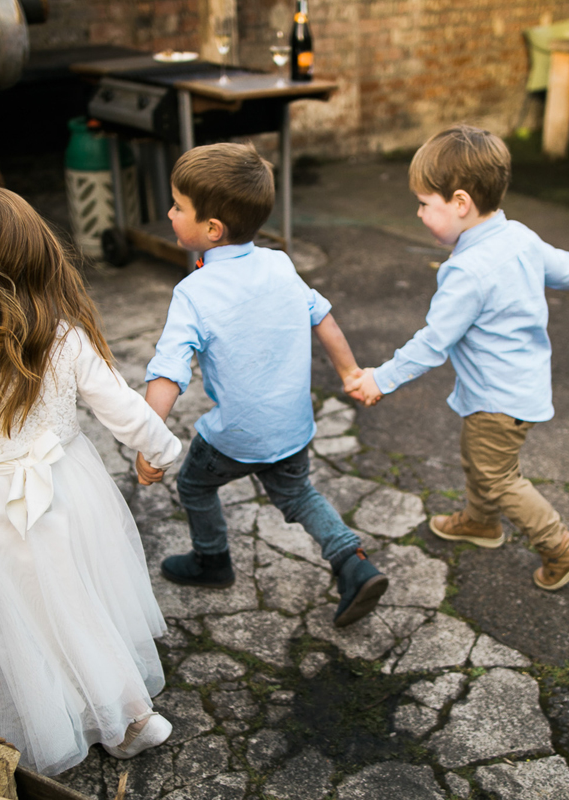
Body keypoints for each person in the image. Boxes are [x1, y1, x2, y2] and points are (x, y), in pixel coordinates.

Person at [0, 186, 181, 775]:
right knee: (76, 594)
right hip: (67, 483)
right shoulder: (65, 336)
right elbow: (121, 406)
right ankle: (124, 713)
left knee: (22, 612)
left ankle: (70, 719)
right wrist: (159, 450)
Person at [140, 142, 388, 628]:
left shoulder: (193, 293)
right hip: (292, 427)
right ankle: (353, 563)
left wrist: (148, 441)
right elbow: (325, 319)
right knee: (298, 496)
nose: (169, 213)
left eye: (177, 206)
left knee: (193, 484)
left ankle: (213, 562)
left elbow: (168, 371)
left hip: (235, 435)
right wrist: (350, 373)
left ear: (211, 229)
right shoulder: (279, 264)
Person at [350, 124, 569, 591]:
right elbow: (564, 265)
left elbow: (432, 342)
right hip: (519, 384)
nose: (419, 213)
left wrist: (380, 378)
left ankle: (561, 547)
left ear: (460, 203)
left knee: (498, 475)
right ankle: (481, 522)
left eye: (425, 204)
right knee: (478, 458)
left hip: (497, 397)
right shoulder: (520, 236)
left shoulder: (465, 272)